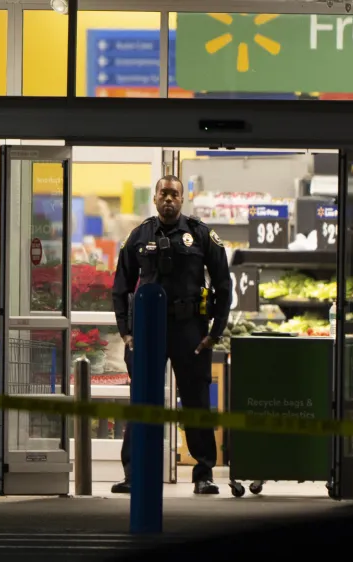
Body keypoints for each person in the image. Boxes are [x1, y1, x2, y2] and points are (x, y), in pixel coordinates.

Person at [109, 175, 231, 495]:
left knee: (196, 403)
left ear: (181, 199)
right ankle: (134, 474)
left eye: (173, 194)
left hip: (190, 330)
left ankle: (203, 474)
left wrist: (214, 334)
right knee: (142, 402)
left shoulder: (201, 235)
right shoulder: (139, 236)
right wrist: (126, 334)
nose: (168, 199)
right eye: (163, 193)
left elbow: (224, 286)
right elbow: (120, 288)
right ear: (154, 198)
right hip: (147, 331)